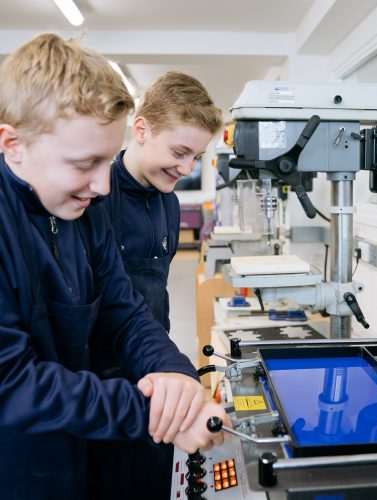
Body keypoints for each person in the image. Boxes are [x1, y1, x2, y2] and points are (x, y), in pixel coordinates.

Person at [0, 33, 229, 500]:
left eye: (108, 161)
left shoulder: (82, 211)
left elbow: (123, 310)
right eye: (86, 163)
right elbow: (12, 383)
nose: (104, 186)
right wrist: (152, 412)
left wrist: (176, 374)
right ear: (13, 143)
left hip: (78, 435)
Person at [87, 71, 223, 499]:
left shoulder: (167, 202)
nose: (186, 169)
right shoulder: (94, 200)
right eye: (180, 152)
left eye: (195, 158)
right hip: (102, 380)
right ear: (142, 129)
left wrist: (171, 370)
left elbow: (152, 297)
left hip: (154, 361)